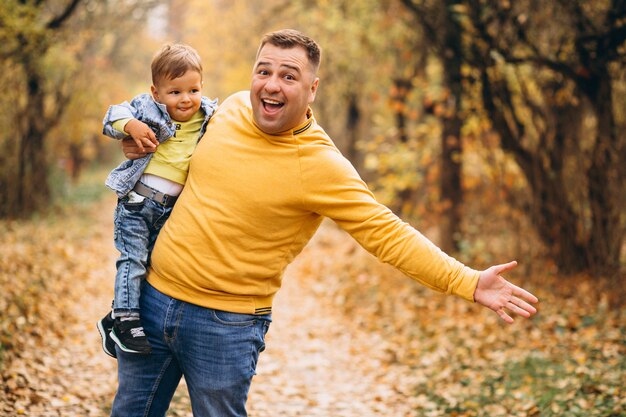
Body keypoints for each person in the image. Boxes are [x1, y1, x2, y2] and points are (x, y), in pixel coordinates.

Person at [111, 29, 539, 417]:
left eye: (289, 76)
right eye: (264, 71)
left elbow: (387, 233)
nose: (272, 84)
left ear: (312, 89)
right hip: (152, 298)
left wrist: (467, 281)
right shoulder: (229, 110)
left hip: (226, 324)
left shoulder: (322, 165)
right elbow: (172, 137)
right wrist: (138, 144)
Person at [96, 43, 218, 357]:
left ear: (202, 87)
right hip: (138, 203)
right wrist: (132, 126)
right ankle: (125, 320)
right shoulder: (146, 108)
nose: (186, 99)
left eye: (193, 89)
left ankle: (114, 318)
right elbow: (113, 116)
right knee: (133, 260)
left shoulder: (209, 116)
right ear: (157, 93)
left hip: (171, 210)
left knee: (154, 265)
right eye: (175, 92)